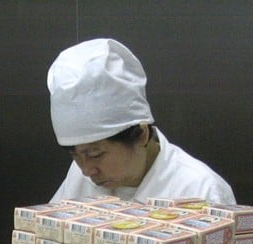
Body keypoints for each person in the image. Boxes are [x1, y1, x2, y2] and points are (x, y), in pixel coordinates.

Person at [47, 38, 236, 205]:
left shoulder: (200, 191)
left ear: (142, 135)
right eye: (75, 155)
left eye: (96, 154)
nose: (87, 170)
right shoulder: (81, 173)